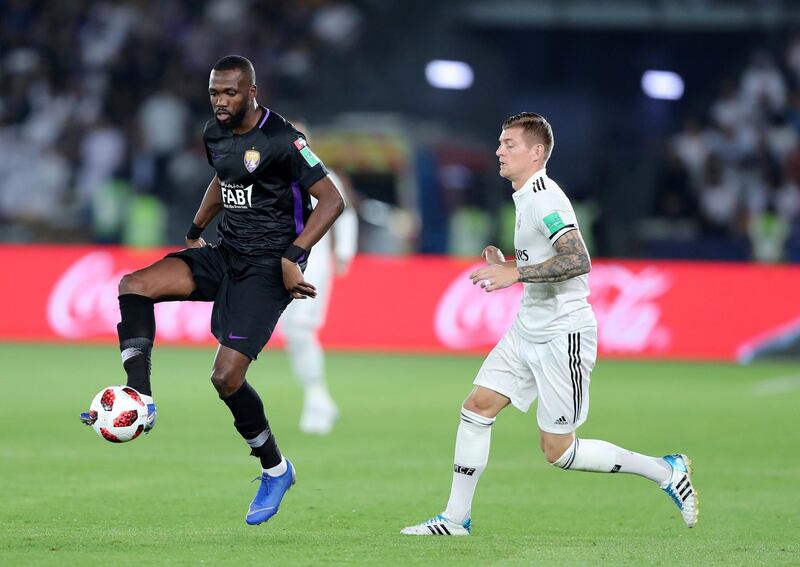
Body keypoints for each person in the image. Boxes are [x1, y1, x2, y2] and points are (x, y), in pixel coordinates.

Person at [401, 113, 698, 536]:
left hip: (564, 334)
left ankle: (664, 471)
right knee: (477, 406)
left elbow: (579, 259)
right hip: (528, 328)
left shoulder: (546, 198)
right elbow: (545, 257)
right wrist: (510, 263)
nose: (499, 151)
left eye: (509, 144)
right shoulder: (524, 196)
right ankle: (455, 518)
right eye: (500, 143)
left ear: (537, 153)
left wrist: (515, 275)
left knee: (559, 451)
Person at [80, 55, 345, 525]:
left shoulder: (284, 139)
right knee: (134, 285)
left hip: (266, 271)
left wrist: (293, 256)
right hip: (226, 253)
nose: (221, 102)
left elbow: (333, 200)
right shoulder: (214, 132)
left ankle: (275, 469)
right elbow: (224, 181)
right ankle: (139, 395)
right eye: (215, 93)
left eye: (230, 93)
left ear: (252, 92)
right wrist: (196, 226)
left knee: (225, 378)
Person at [280, 119, 358, 435]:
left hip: (314, 264)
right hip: (282, 265)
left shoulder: (322, 173)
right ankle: (320, 398)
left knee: (300, 329)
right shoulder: (272, 176)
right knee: (293, 332)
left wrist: (344, 253)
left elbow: (346, 211)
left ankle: (317, 399)